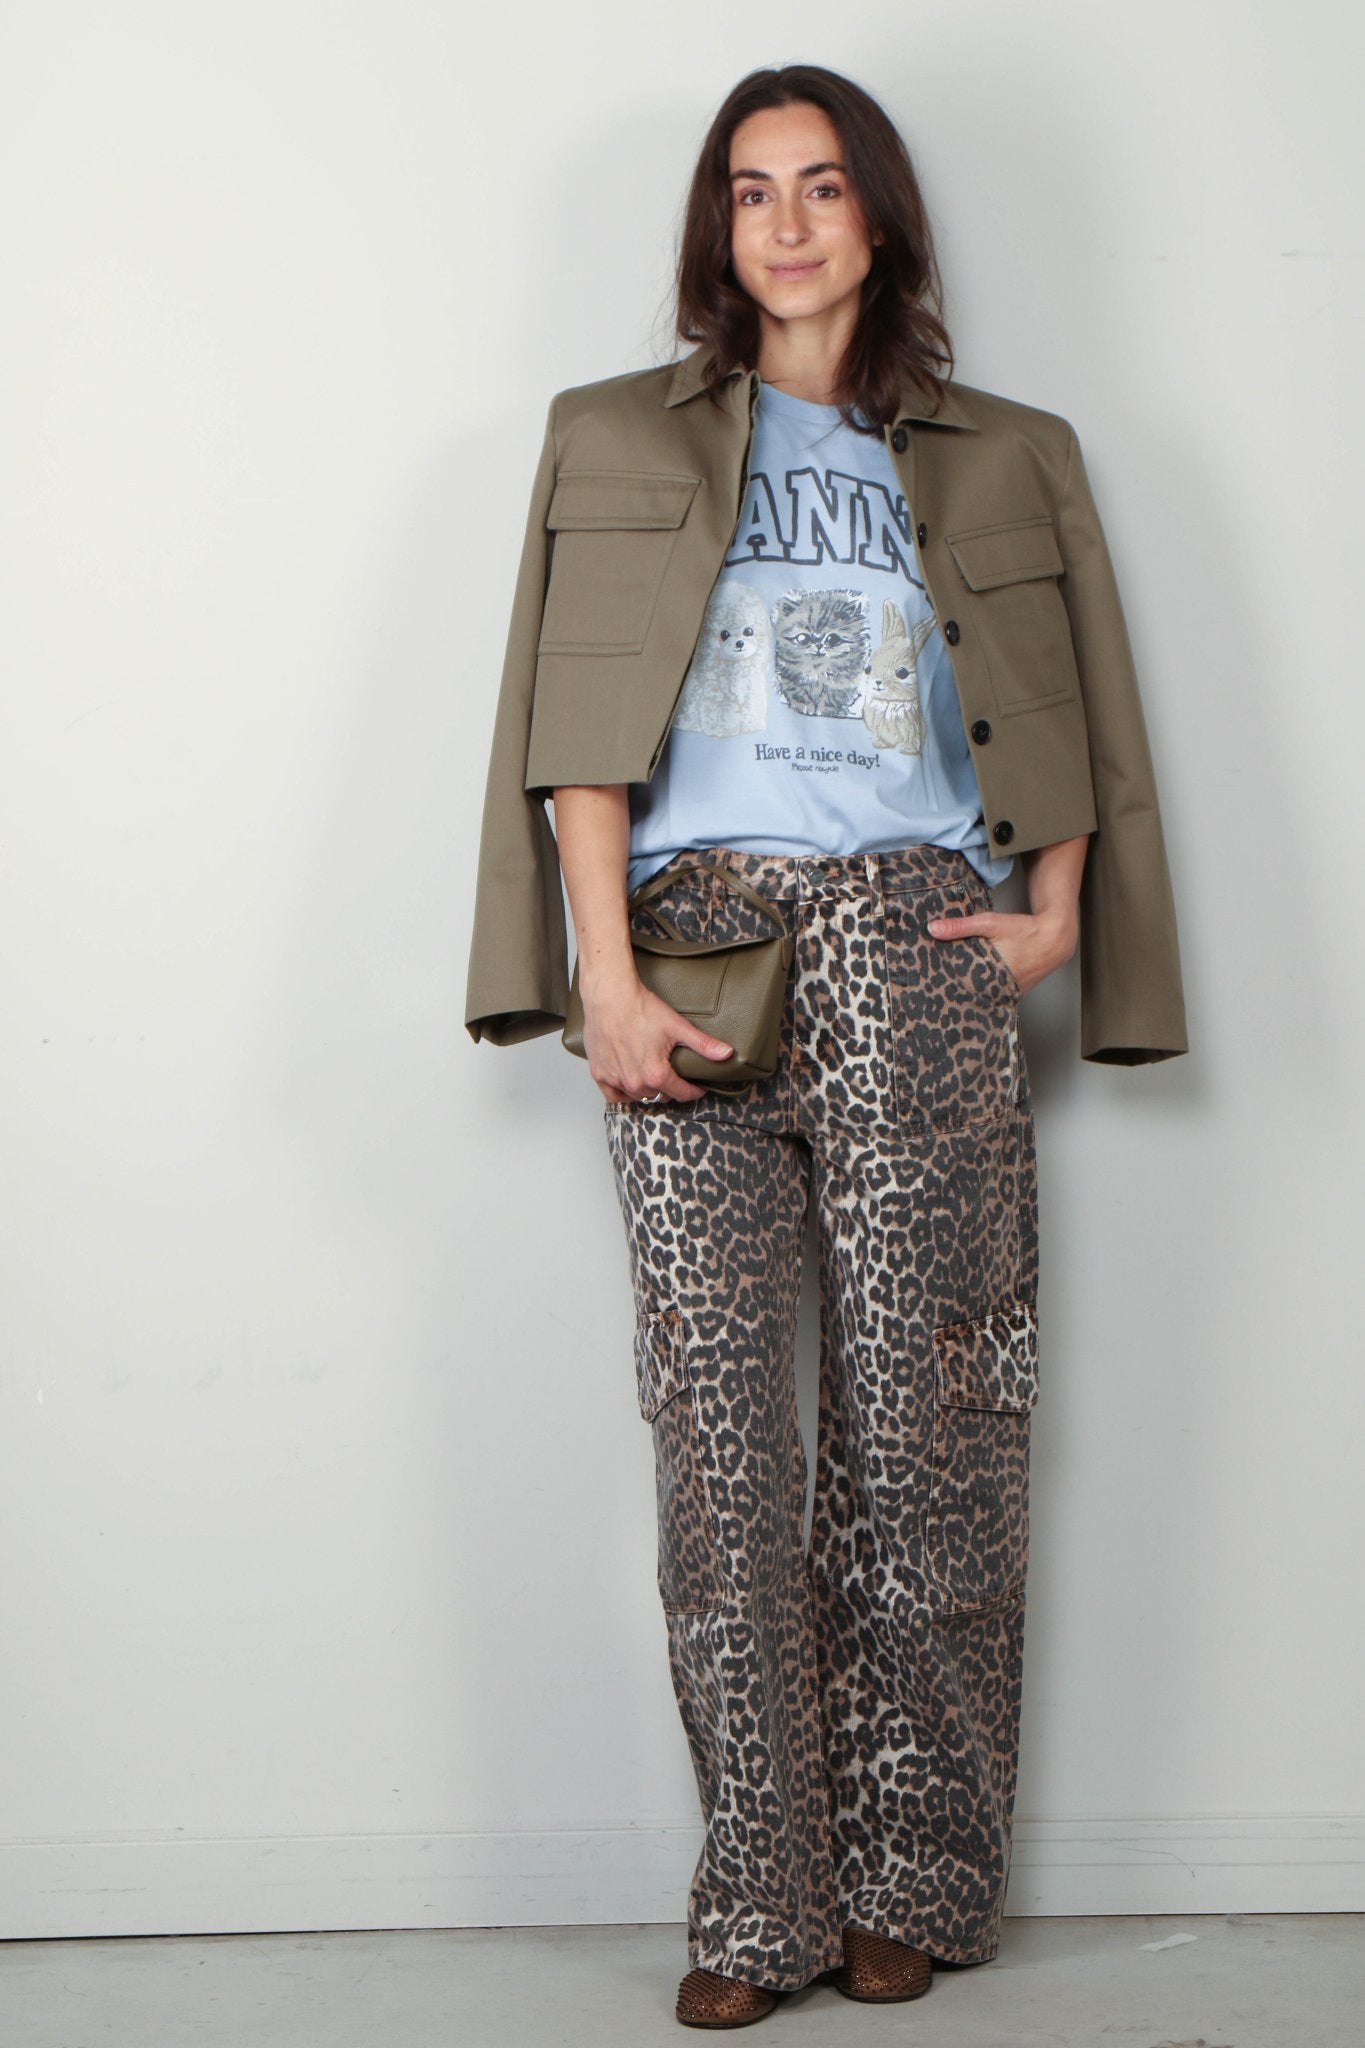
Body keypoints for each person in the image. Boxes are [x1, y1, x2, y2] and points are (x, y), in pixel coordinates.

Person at [465, 63, 1187, 2032]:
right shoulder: (609, 434)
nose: (783, 225)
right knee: (717, 1451)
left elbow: (1079, 700)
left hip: (912, 948)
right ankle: (758, 1899)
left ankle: (913, 1881)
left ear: (878, 215)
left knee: (928, 1434)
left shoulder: (1010, 450)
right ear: (717, 225)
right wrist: (602, 978)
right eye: (747, 189)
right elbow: (565, 733)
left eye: (820, 186)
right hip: (690, 953)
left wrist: (1054, 912)